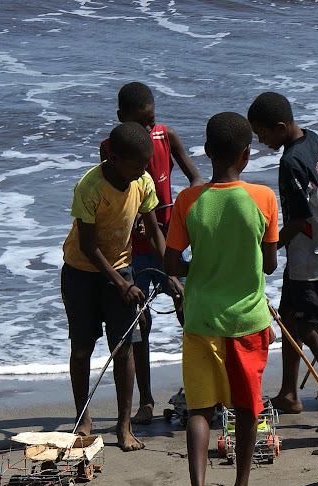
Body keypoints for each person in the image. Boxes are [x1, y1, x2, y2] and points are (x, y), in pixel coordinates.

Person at [164, 112, 278, 486]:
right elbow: (268, 264)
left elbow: (172, 262)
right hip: (247, 322)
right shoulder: (264, 198)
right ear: (246, 155)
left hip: (199, 320)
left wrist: (202, 268)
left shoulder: (188, 201)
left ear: (207, 152)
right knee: (247, 410)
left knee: (199, 409)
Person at [247, 92, 318, 429]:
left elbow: (297, 222)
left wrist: (265, 248)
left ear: (281, 127)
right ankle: (288, 393)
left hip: (309, 260)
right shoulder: (313, 140)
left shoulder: (289, 163)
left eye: (263, 133)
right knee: (289, 318)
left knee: (309, 328)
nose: (260, 140)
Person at [100, 82, 203, 425]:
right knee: (140, 322)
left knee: (187, 308)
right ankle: (145, 400)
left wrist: (196, 206)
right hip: (134, 251)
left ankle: (198, 389)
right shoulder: (110, 148)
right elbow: (115, 197)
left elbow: (195, 177)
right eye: (139, 122)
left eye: (151, 121)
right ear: (120, 119)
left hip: (169, 241)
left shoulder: (165, 136)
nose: (147, 129)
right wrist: (140, 225)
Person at [61, 122, 164, 451]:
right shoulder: (90, 187)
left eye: (146, 165)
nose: (143, 171)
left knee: (124, 349)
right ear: (114, 159)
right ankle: (84, 418)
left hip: (121, 267)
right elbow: (89, 247)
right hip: (81, 272)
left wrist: (171, 275)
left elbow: (154, 231)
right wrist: (121, 283)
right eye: (136, 165)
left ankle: (123, 425)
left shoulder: (143, 182)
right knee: (81, 349)